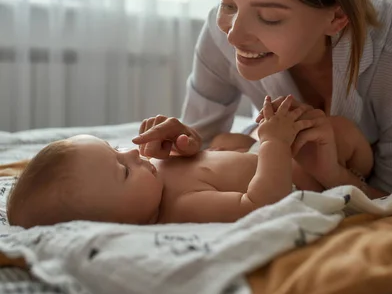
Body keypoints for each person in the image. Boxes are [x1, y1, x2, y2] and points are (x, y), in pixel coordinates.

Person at [133, 0, 392, 199]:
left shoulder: (391, 56)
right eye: (228, 3)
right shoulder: (219, 35)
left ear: (337, 16)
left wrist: (330, 173)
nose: (233, 34)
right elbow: (203, 139)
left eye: (270, 18)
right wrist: (184, 142)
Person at [7, 97, 373, 228]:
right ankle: (362, 173)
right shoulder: (183, 206)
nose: (133, 153)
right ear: (118, 221)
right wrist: (275, 143)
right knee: (340, 130)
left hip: (247, 155)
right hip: (303, 173)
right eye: (122, 169)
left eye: (114, 148)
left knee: (227, 140)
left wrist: (189, 146)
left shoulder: (148, 179)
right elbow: (261, 204)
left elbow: (206, 159)